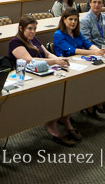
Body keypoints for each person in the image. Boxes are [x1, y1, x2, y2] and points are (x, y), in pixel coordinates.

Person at [7, 15, 72, 145]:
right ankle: (51, 124)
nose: (33, 31)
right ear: (21, 28)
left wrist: (59, 60)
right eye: (30, 28)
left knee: (65, 87)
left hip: (42, 73)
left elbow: (47, 53)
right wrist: (54, 61)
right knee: (54, 92)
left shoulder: (33, 39)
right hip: (26, 78)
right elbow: (30, 60)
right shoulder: (15, 42)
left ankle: (64, 117)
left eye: (35, 28)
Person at [54, 8, 105, 117]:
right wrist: (92, 52)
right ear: (64, 19)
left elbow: (87, 43)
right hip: (66, 65)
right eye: (70, 19)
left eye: (75, 20)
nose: (73, 22)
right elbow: (72, 50)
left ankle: (90, 103)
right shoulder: (58, 34)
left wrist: (98, 50)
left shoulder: (77, 33)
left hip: (80, 63)